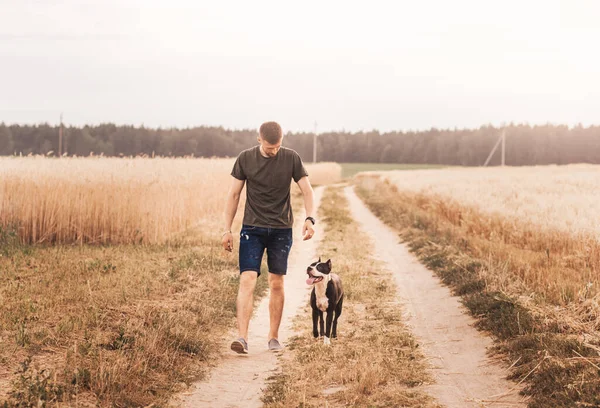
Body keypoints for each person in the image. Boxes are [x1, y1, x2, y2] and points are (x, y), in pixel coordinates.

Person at [221, 121, 316, 354]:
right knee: (247, 279)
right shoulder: (245, 158)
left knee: (276, 282)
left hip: (281, 230)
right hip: (252, 229)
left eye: (277, 146)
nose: (273, 151)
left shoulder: (291, 158)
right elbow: (234, 195)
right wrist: (226, 229)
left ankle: (273, 337)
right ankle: (242, 338)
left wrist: (309, 218)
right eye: (269, 147)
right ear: (259, 139)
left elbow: (307, 190)